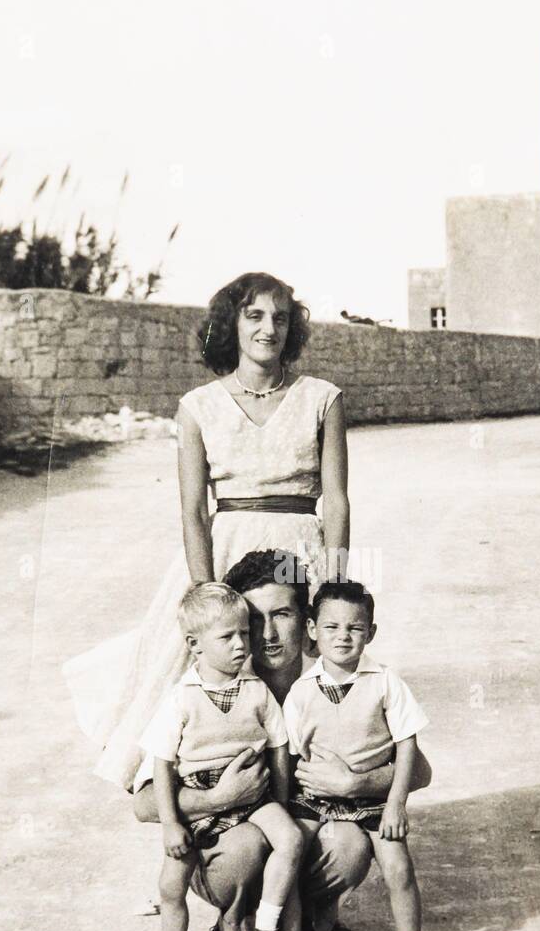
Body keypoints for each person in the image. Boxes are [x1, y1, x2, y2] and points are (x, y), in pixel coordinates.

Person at [62, 270, 349, 795]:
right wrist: (206, 590)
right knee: (221, 670)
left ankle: (303, 800)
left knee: (295, 668)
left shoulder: (322, 399)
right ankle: (218, 805)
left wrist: (330, 585)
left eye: (281, 318)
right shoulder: (198, 406)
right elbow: (194, 509)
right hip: (227, 548)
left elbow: (338, 500)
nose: (269, 329)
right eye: (255, 316)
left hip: (298, 550)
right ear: (232, 324)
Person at [134, 550, 433, 931]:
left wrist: (356, 783)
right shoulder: (207, 687)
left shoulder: (333, 677)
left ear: (307, 622)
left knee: (347, 843)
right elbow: (143, 804)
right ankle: (233, 925)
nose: (269, 633)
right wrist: (218, 796)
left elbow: (419, 771)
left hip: (303, 826)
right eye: (255, 619)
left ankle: (318, 919)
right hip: (229, 839)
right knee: (245, 847)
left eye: (283, 614)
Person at [140, 584, 308, 931]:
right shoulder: (181, 698)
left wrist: (282, 803)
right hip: (200, 796)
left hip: (255, 797)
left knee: (290, 840)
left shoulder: (256, 690)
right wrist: (173, 823)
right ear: (194, 645)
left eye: (243, 635)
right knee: (169, 885)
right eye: (227, 637)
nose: (241, 645)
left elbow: (279, 748)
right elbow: (162, 764)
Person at [283, 580, 438, 931]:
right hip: (316, 796)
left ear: (370, 632)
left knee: (399, 868)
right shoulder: (300, 692)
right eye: (331, 627)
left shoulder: (386, 682)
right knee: (288, 857)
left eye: (355, 627)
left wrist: (395, 804)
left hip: (372, 799)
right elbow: (295, 757)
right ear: (312, 629)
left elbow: (407, 744)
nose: (343, 636)